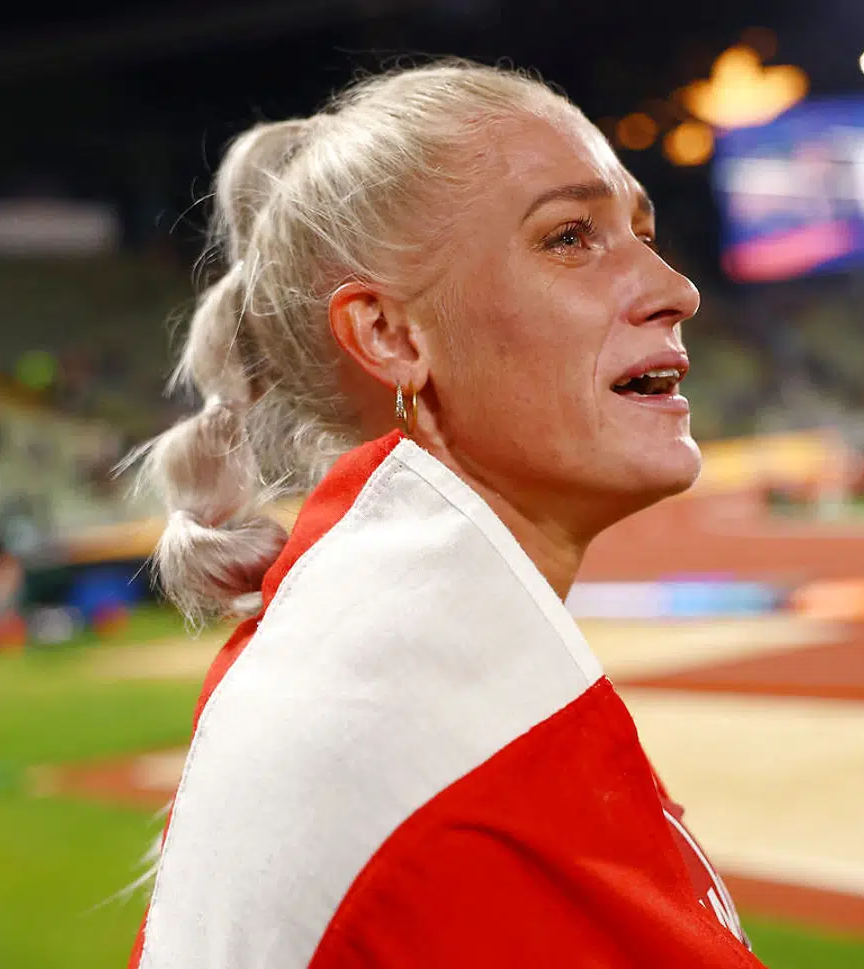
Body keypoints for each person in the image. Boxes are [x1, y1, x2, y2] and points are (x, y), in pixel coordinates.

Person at [127, 60, 759, 968]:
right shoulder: (448, 756)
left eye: (643, 232)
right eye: (571, 237)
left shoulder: (371, 663)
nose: (675, 288)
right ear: (389, 334)